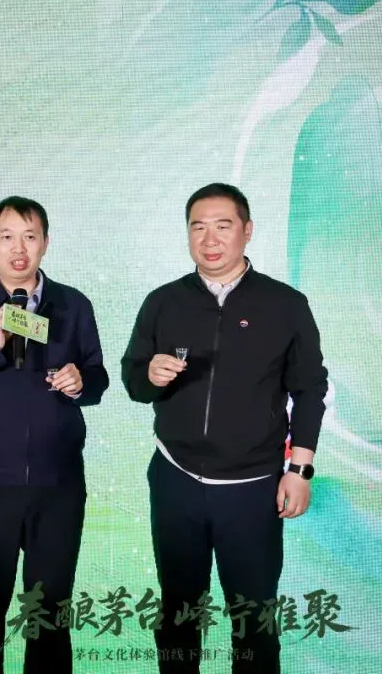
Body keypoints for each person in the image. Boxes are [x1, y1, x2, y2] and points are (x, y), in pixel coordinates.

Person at [121, 183, 328, 674]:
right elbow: (133, 380)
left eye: (223, 226)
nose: (209, 239)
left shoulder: (285, 304)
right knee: (178, 612)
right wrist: (149, 375)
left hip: (252, 487)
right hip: (176, 480)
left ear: (247, 231)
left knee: (254, 619)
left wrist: (299, 469)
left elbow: (310, 390)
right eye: (198, 227)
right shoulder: (163, 302)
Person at [0, 196, 109, 673]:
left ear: (45, 243)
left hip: (58, 487)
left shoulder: (72, 305)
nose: (18, 249)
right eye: (7, 237)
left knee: (49, 617)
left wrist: (81, 381)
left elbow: (98, 378)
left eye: (30, 237)